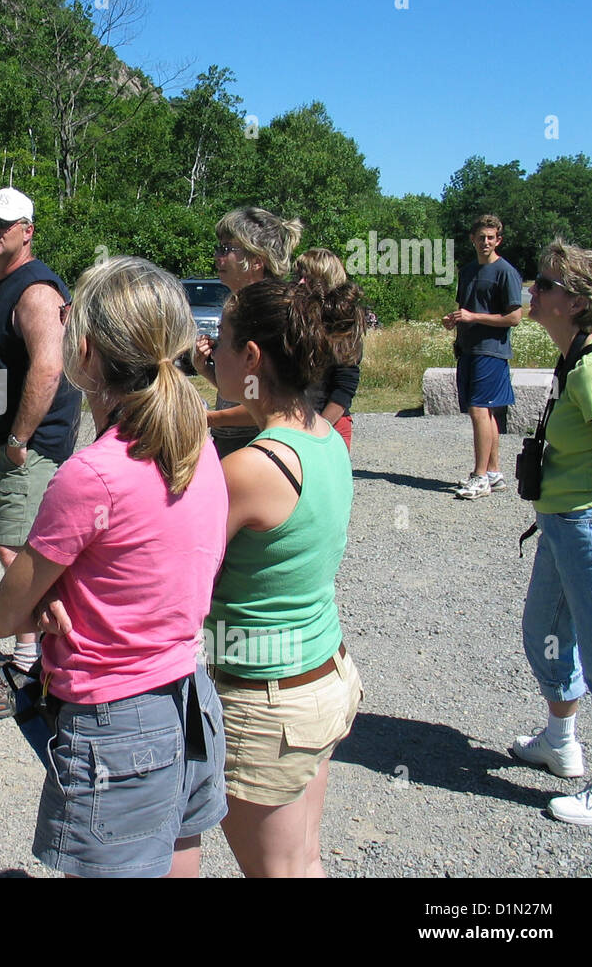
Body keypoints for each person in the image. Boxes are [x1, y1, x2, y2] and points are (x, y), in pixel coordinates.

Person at [0, 256, 228, 877]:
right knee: (180, 853)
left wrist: (44, 596)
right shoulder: (197, 443)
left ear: (87, 352)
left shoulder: (92, 475)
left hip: (116, 721)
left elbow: (4, 613)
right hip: (187, 696)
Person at [205, 278, 365, 877]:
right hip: (323, 676)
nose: (210, 352)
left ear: (251, 357)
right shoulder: (325, 439)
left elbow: (175, 581)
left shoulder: (252, 467)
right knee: (303, 862)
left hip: (266, 703)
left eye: (220, 340)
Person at [0, 187, 81, 719]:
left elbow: (49, 367)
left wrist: (18, 440)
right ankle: (45, 662)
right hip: (9, 445)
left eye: (4, 224)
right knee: (17, 548)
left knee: (20, 556)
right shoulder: (4, 286)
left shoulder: (34, 289)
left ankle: (27, 666)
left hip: (27, 449)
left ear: (27, 230)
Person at [508, 239, 592, 825]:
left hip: (588, 524)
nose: (533, 292)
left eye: (544, 285)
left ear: (576, 301)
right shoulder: (574, 360)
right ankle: (560, 740)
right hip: (561, 522)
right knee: (544, 629)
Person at [193, 207, 302, 457]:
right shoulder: (241, 304)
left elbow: (268, 404)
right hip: (235, 438)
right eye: (218, 247)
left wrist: (207, 418)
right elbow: (249, 389)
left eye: (226, 249)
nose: (217, 257)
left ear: (256, 260)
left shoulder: (267, 313)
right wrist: (206, 369)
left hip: (255, 442)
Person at [443, 213, 523, 499]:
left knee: (479, 409)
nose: (485, 242)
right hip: (468, 349)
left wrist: (474, 316)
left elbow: (515, 317)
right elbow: (467, 309)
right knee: (484, 411)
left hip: (491, 350)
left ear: (498, 240)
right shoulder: (467, 272)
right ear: (472, 239)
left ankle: (479, 477)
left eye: (491, 238)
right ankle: (494, 472)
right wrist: (455, 321)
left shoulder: (506, 272)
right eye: (481, 237)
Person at [294, 247, 362, 450]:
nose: (300, 283)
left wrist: (317, 430)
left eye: (307, 278)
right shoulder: (298, 317)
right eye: (298, 276)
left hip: (329, 423)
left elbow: (344, 389)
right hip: (296, 422)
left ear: (325, 280)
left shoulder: (343, 323)